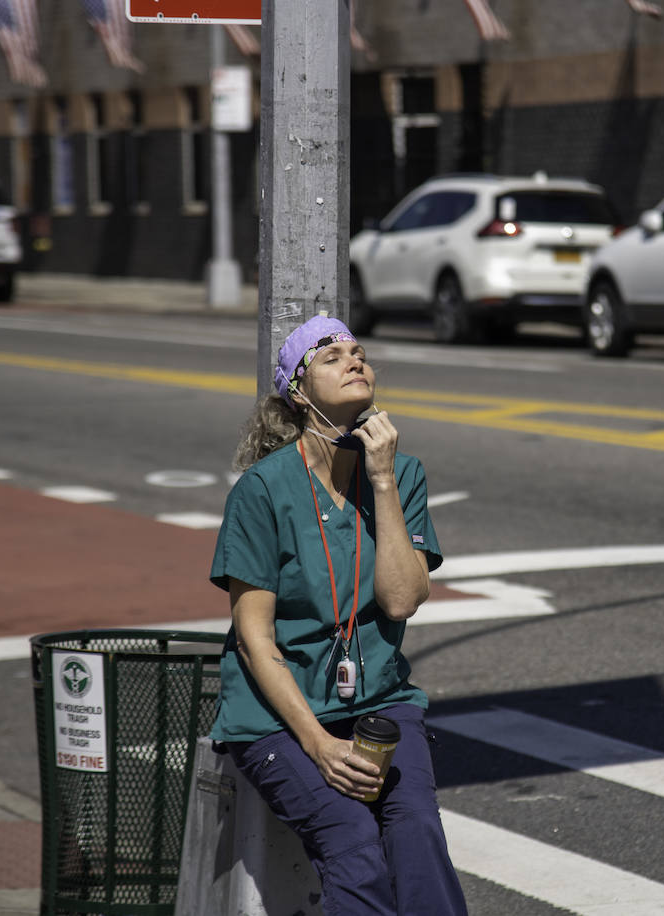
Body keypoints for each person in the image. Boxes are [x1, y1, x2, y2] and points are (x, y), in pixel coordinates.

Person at [209, 314, 468, 915]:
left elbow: (403, 599)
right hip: (280, 714)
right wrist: (319, 744)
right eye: (331, 356)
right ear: (298, 393)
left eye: (358, 352)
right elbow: (254, 640)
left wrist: (380, 480)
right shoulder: (263, 490)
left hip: (377, 704)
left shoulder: (402, 473)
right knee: (352, 844)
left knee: (418, 838)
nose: (354, 360)